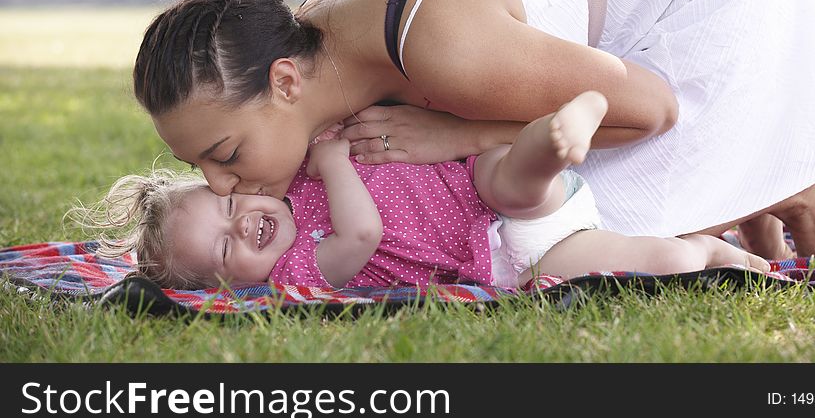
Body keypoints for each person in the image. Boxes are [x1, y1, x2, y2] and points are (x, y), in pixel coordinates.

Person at [133, 0, 815, 261]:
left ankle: (799, 191)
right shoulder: (317, 38)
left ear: (285, 80)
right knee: (606, 216)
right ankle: (756, 200)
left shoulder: (443, 47)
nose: (220, 182)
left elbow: (648, 107)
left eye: (224, 153)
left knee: (618, 223)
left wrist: (464, 136)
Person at [78, 91, 769, 290]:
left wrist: (321, 150)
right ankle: (713, 255)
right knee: (643, 260)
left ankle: (558, 131)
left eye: (230, 208)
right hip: (503, 258)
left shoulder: (289, 191)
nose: (244, 225)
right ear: (235, 287)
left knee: (517, 176)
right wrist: (336, 161)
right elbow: (363, 235)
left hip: (475, 188)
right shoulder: (297, 270)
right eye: (228, 250)